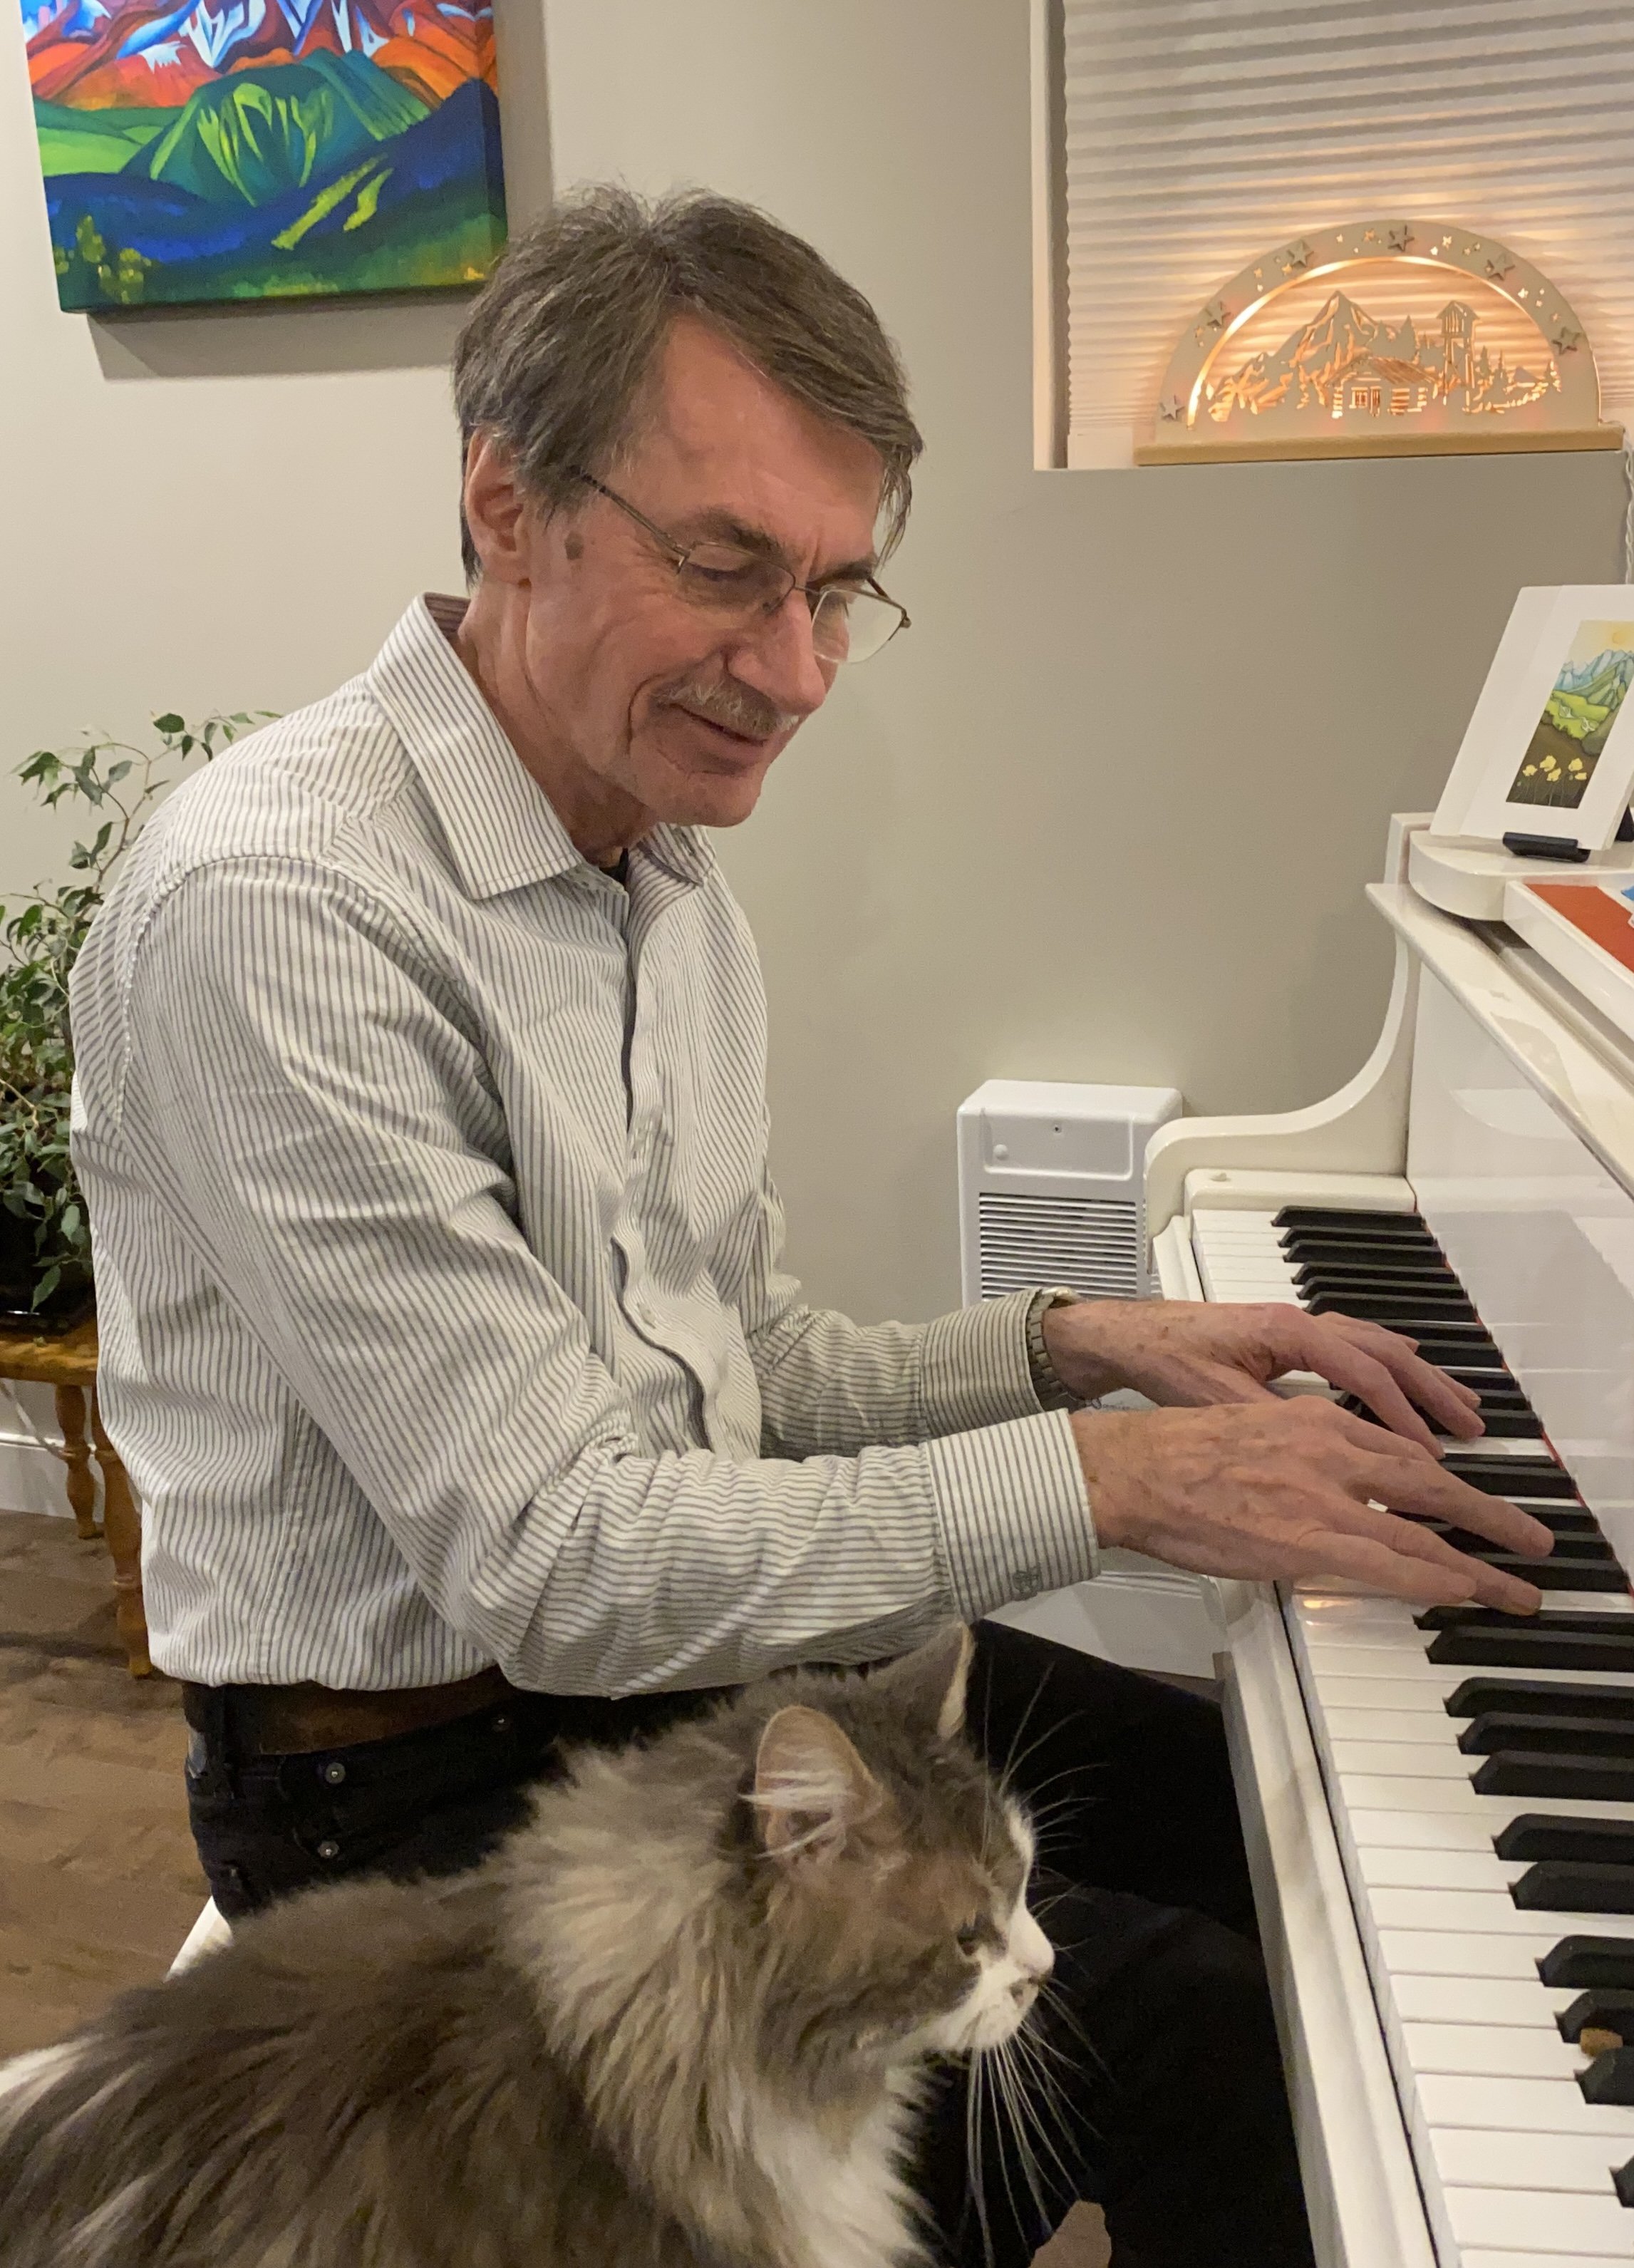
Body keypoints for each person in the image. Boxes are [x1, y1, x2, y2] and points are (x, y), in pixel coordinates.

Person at [69, 187, 1549, 2268]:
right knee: (1219, 2043)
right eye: (728, 568)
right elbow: (558, 1563)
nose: (795, 671)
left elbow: (741, 1370)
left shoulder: (662, 880)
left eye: (840, 591)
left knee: (1278, 1822)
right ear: (506, 505)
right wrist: (1114, 1484)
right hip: (413, 1802)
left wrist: (1070, 1348)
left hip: (671, 1700)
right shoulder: (281, 911)